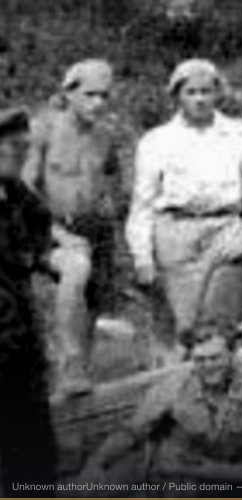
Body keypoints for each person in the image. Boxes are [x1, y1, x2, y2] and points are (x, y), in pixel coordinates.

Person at [125, 59, 242, 363]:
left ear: (217, 94)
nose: (199, 99)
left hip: (226, 227)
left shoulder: (238, 134)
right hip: (177, 232)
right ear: (177, 96)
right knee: (189, 331)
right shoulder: (157, 141)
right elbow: (142, 203)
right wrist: (142, 256)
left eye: (206, 91)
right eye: (191, 92)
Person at [22, 59, 123, 398]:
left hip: (93, 230)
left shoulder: (106, 134)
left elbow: (112, 175)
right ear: (69, 93)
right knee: (76, 269)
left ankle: (78, 381)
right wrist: (57, 233)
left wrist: (110, 200)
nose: (98, 103)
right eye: (90, 94)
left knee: (92, 305)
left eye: (104, 96)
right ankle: (70, 364)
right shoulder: (43, 129)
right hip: (48, 229)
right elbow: (25, 191)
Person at [78, 319, 242, 483]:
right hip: (175, 479)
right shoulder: (172, 388)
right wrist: (97, 464)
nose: (208, 366)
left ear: (231, 354)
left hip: (225, 478)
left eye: (215, 358)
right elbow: (132, 432)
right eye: (200, 360)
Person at [0, 107, 58, 495]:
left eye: (25, 148)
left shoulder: (16, 192)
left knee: (33, 442)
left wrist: (47, 256)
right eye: (13, 149)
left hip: (19, 337)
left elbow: (41, 226)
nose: (22, 156)